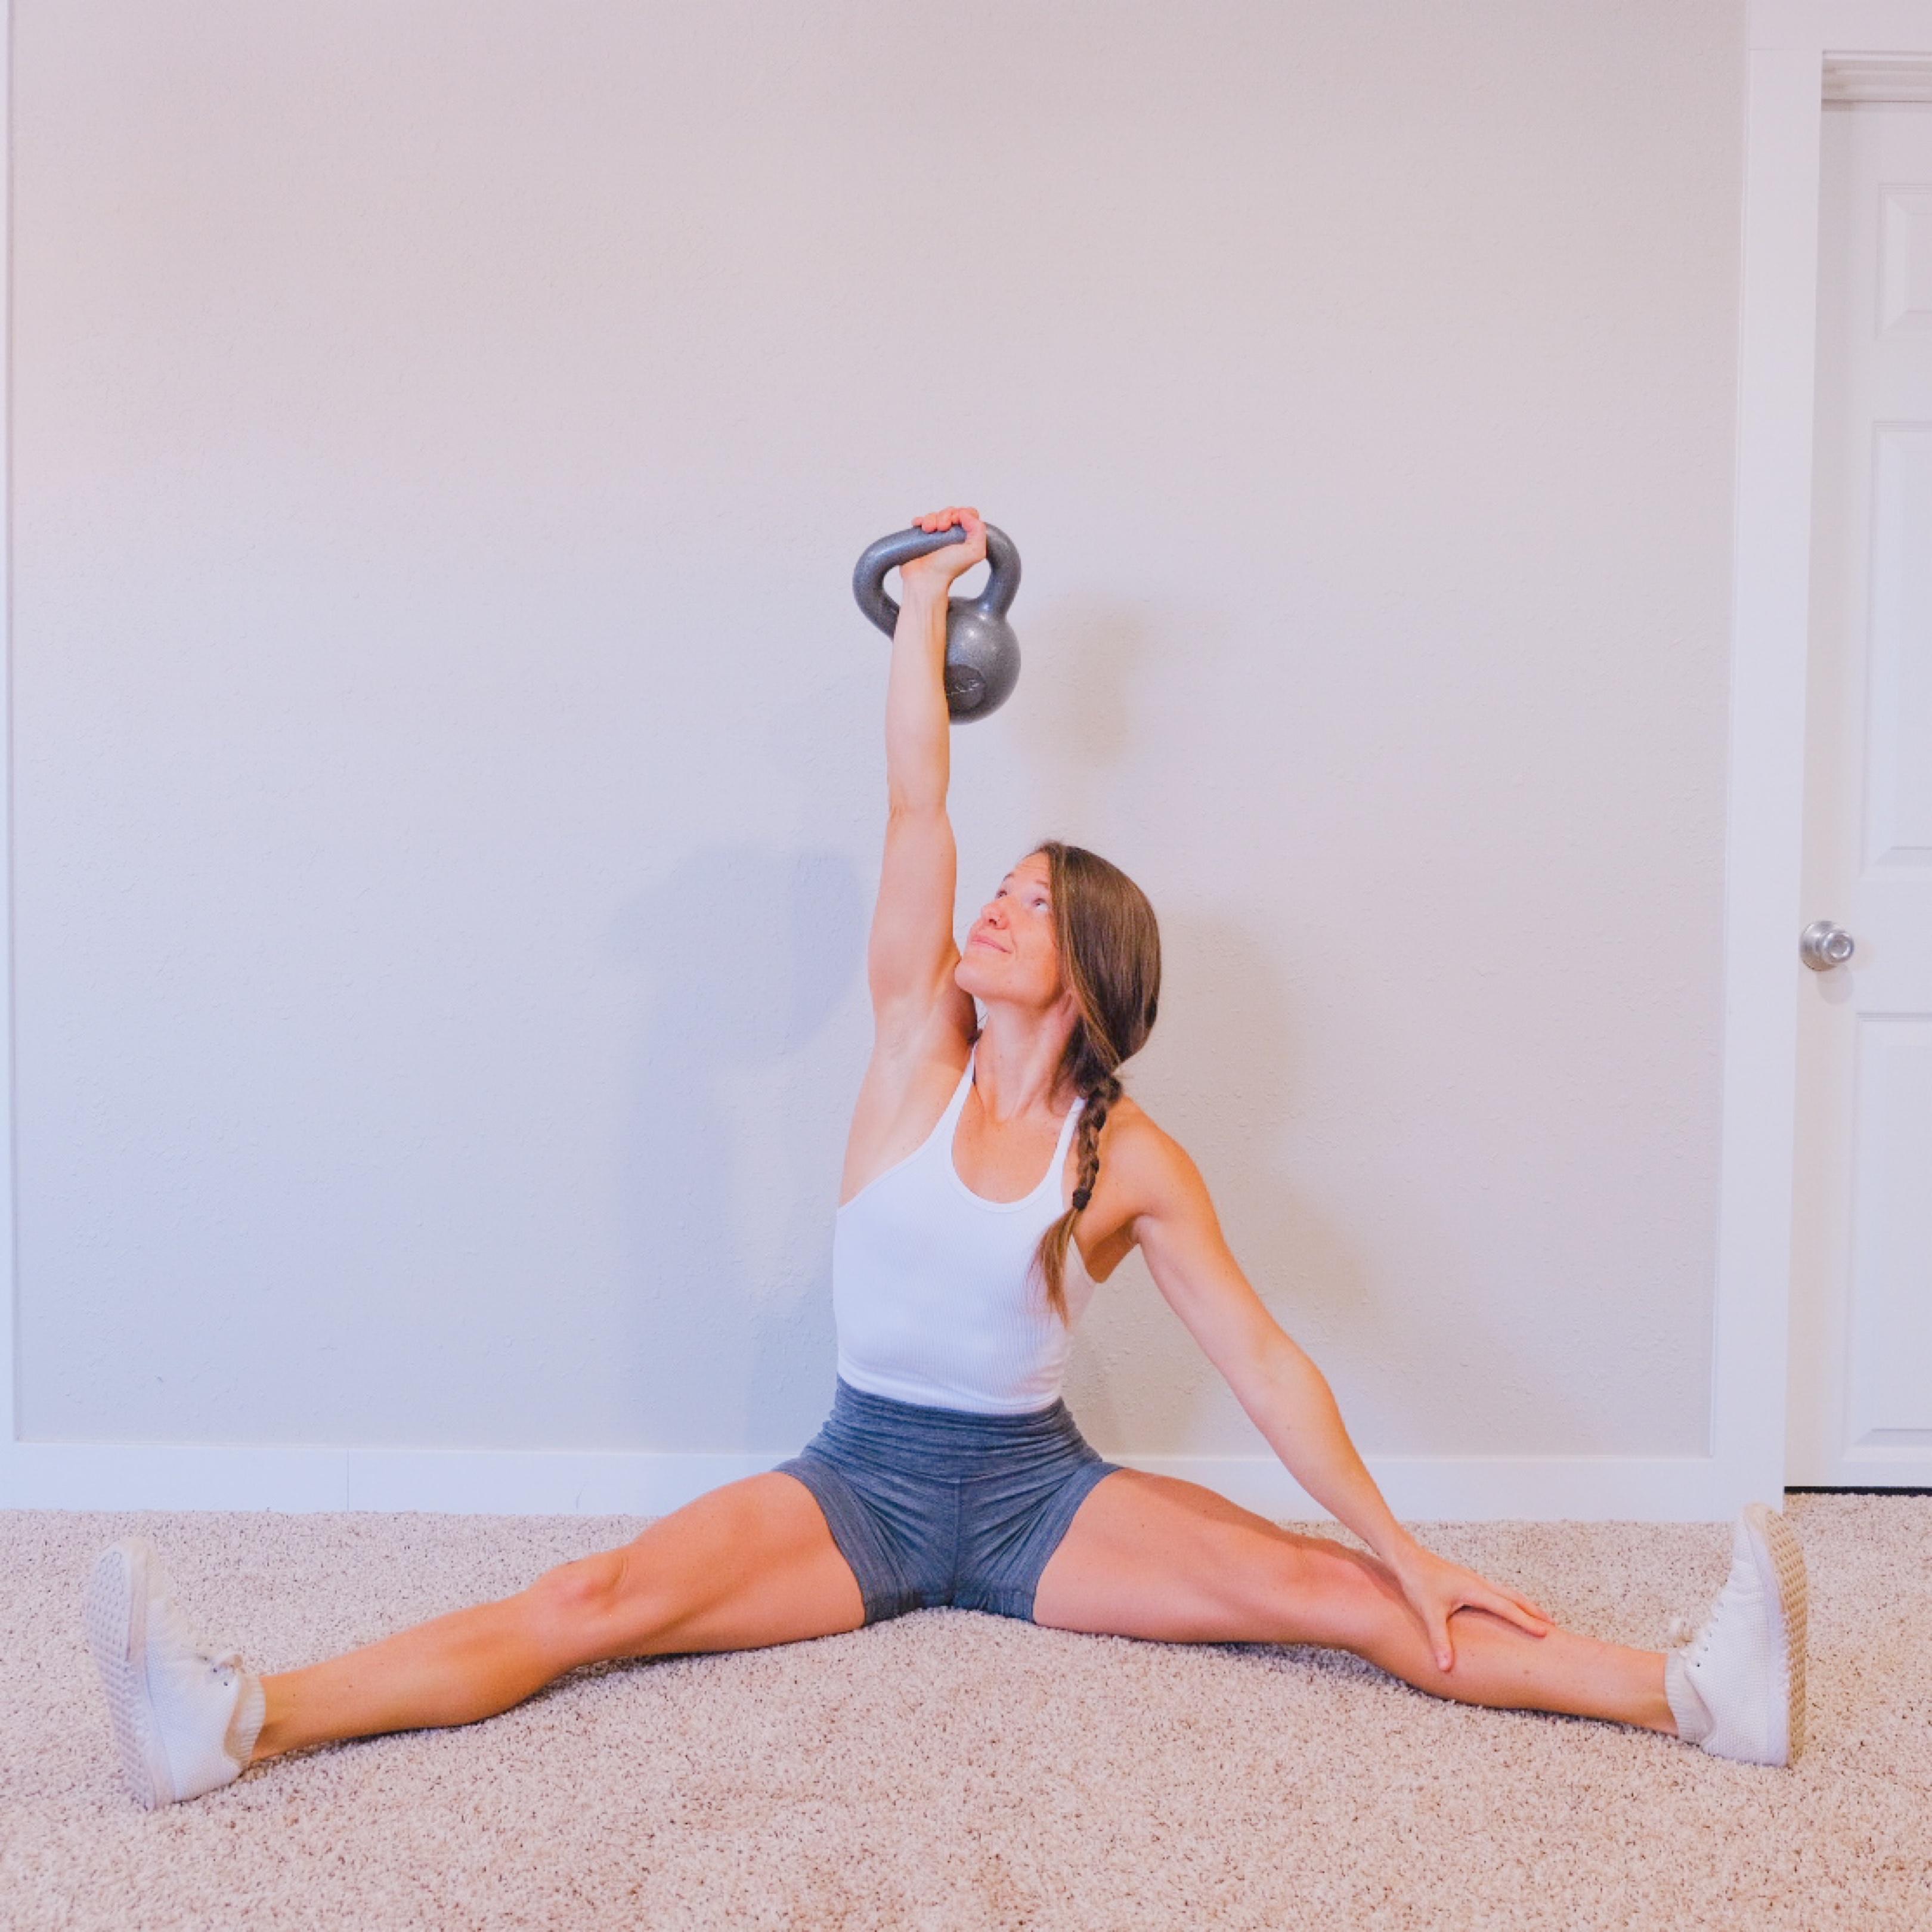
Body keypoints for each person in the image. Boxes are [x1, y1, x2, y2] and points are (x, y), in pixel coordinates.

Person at [83, 505, 1807, 1811]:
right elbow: (920, 805)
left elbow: (1268, 1364)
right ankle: (235, 1719)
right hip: (858, 1485)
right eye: (1000, 890)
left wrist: (1405, 1544)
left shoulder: (1128, 1157)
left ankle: (1692, 1697)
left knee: (1341, 1597)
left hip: (1041, 1500)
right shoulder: (914, 1048)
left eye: (1028, 907)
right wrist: (923, 612)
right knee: (590, 1599)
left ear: (1089, 972)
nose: (989, 908)